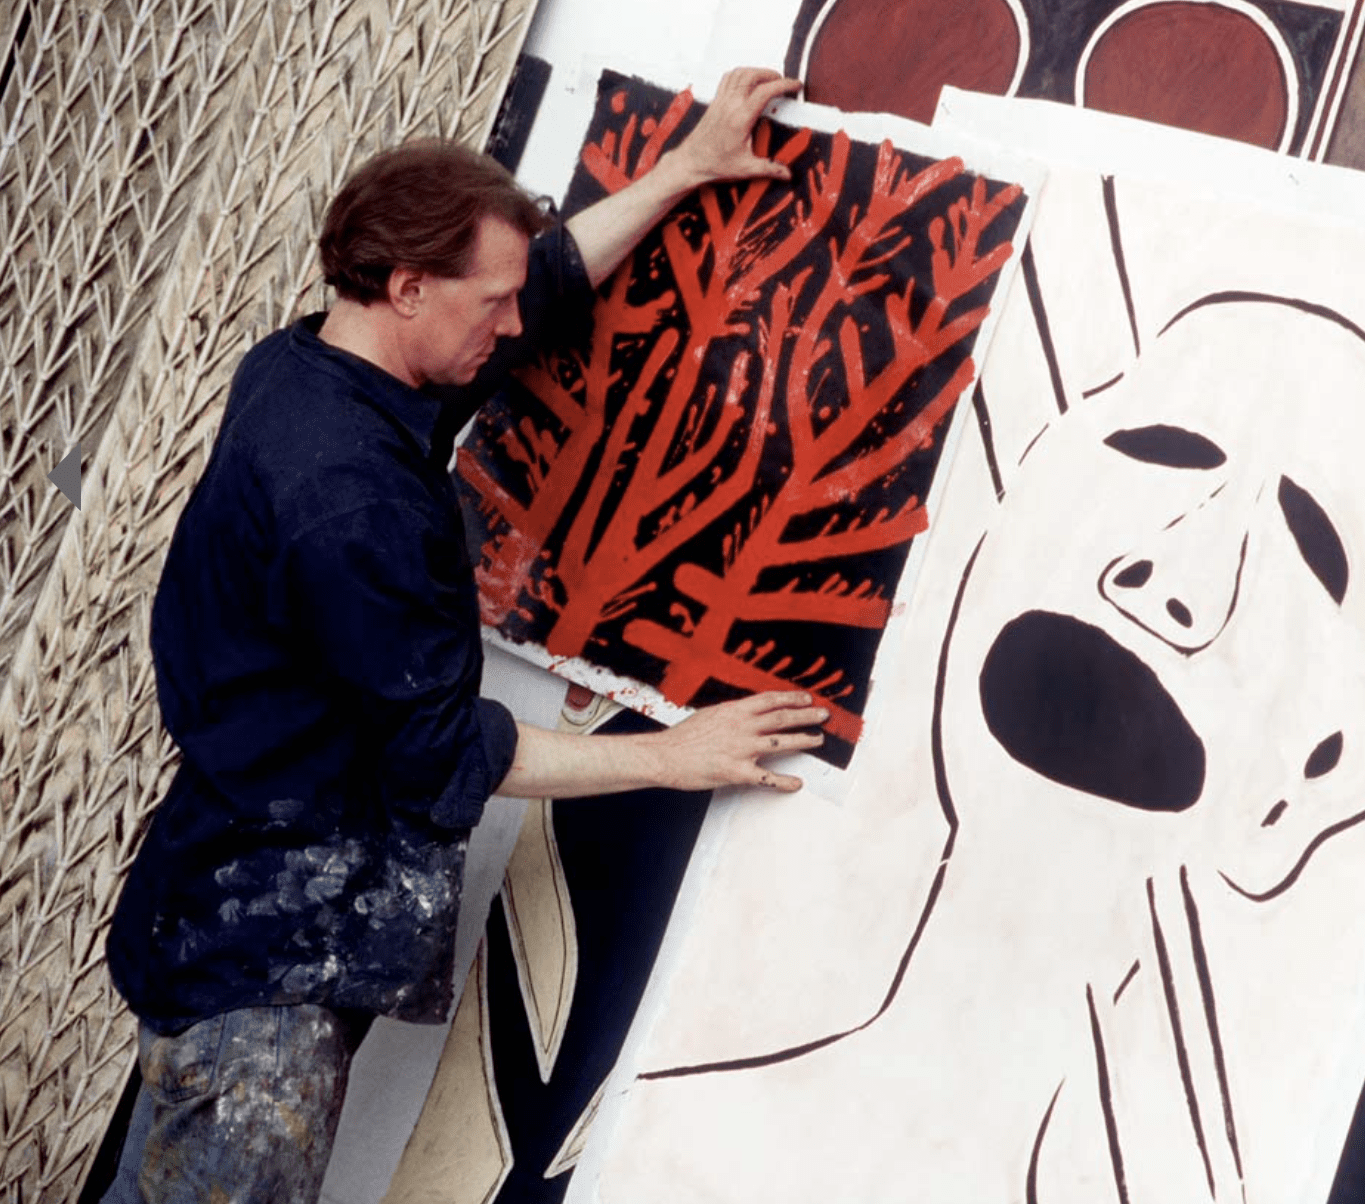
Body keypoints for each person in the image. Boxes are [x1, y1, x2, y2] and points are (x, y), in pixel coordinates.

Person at [101, 67, 824, 1204]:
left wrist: (688, 166)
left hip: (211, 906)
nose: (515, 319)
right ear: (406, 287)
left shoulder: (312, 367)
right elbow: (444, 752)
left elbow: (536, 274)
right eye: (487, 305)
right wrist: (672, 757)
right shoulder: (352, 497)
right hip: (265, 984)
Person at [591, 293, 1365, 1203]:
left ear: (1306, 787)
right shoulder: (669, 1141)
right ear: (985, 547)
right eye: (1161, 446)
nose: (1176, 584)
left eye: (1311, 544)